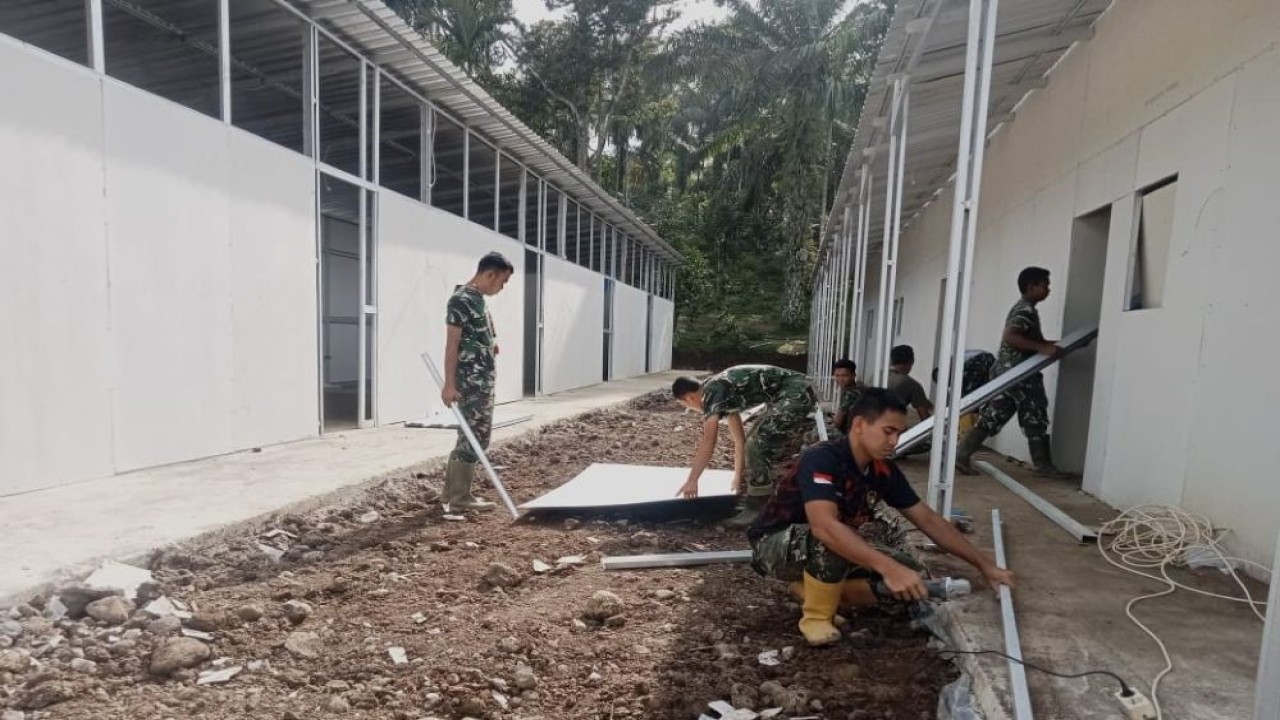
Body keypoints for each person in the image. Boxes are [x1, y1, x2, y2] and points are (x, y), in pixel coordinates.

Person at [747, 388, 1015, 646]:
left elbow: (928, 520)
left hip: (821, 547)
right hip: (774, 547)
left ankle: (809, 590)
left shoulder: (881, 469)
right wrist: (888, 568)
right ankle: (817, 618)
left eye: (899, 433)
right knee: (837, 538)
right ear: (860, 424)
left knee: (913, 575)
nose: (894, 442)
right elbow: (824, 527)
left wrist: (985, 566)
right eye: (888, 432)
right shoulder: (822, 459)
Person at [955, 266, 1070, 478]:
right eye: (1045, 285)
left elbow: (1028, 338)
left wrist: (1049, 344)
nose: (1049, 290)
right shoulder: (1025, 310)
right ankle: (1043, 465)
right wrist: (1041, 348)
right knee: (1035, 415)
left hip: (1009, 374)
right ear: (1031, 287)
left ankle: (961, 454)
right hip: (1020, 374)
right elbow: (1011, 336)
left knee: (995, 415)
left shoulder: (1026, 309)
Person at [673, 365, 818, 528]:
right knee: (752, 441)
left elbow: (709, 441)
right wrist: (738, 477)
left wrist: (692, 480)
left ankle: (758, 506)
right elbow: (739, 441)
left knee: (757, 443)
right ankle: (756, 497)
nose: (693, 410)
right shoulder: (721, 393)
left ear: (689, 398)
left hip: (797, 391)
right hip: (790, 391)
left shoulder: (712, 393)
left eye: (688, 407)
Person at [440, 252, 515, 512]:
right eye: (502, 282)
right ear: (490, 274)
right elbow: (452, 344)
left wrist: (490, 345)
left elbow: (478, 336)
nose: (501, 287)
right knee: (475, 436)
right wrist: (449, 384)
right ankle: (461, 497)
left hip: (481, 380)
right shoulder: (461, 301)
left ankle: (452, 493)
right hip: (469, 382)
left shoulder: (478, 300)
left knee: (470, 435)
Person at [887, 345, 933, 421]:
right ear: (911, 362)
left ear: (892, 361)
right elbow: (925, 418)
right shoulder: (912, 385)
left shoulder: (876, 376)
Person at [831, 359, 861, 435]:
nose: (840, 379)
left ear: (853, 375)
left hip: (850, 435)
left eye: (845, 375)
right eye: (837, 376)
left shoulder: (850, 394)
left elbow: (838, 423)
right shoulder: (857, 389)